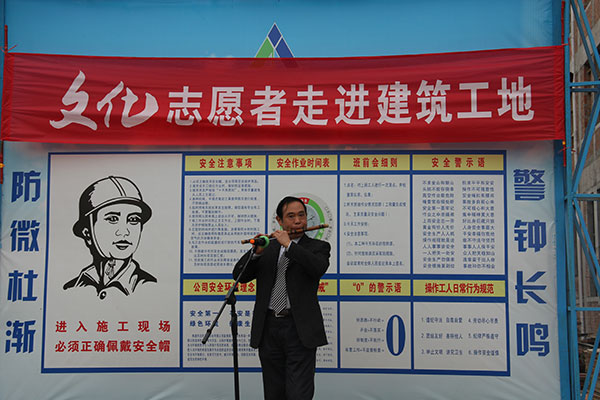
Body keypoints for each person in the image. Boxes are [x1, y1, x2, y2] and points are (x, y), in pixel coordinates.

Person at [233, 196, 331, 400]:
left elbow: (317, 268)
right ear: (279, 220)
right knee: (273, 392)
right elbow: (239, 276)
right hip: (268, 327)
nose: (298, 221)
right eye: (291, 216)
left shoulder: (318, 247)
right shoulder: (268, 247)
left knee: (298, 393)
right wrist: (256, 253)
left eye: (302, 215)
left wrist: (289, 246)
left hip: (299, 328)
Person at [63, 176, 156, 300]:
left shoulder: (150, 287)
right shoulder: (72, 288)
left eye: (133, 219)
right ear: (87, 233)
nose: (124, 232)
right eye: (112, 219)